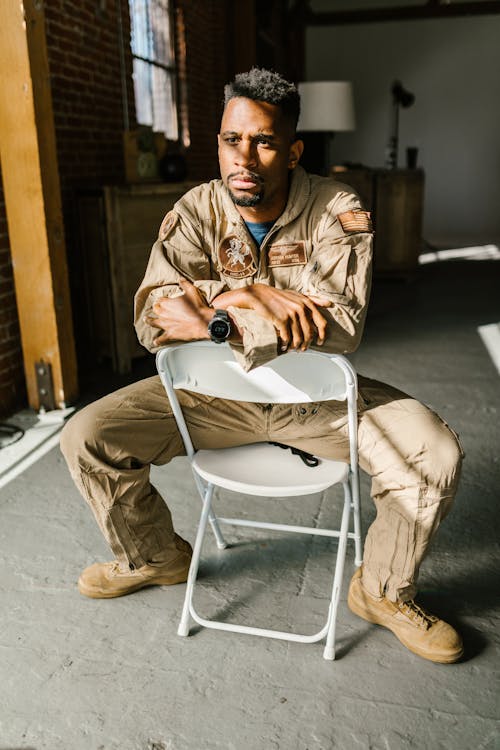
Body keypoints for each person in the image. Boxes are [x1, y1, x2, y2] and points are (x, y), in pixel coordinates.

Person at [61, 68, 464, 664]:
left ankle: (381, 590)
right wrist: (244, 296)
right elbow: (153, 315)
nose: (242, 158)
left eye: (264, 141)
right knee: (86, 436)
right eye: (231, 140)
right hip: (210, 402)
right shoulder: (197, 207)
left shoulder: (337, 208)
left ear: (294, 149)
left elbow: (338, 326)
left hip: (317, 404)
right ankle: (155, 556)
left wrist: (208, 312)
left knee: (437, 453)